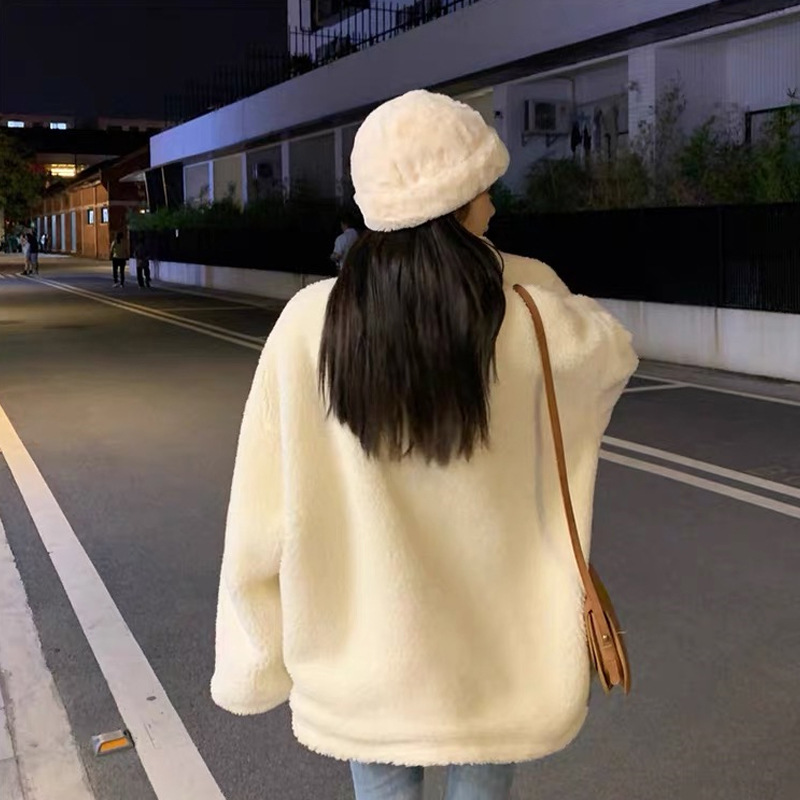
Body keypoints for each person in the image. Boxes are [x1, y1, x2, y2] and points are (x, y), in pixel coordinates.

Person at [211, 90, 638, 800]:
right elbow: (613, 353)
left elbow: (259, 507)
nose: (492, 205)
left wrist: (254, 651)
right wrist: (517, 273)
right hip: (495, 653)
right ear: (454, 203)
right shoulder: (527, 311)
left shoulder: (310, 325)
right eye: (482, 188)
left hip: (363, 654)